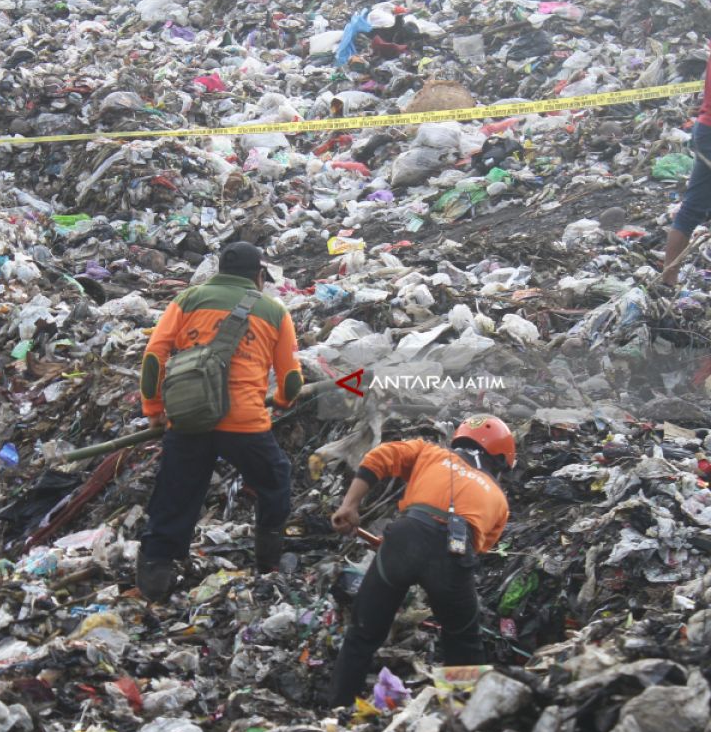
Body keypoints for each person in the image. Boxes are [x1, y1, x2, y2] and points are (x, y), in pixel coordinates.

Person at [135, 241, 303, 601]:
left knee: (177, 492)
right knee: (275, 481)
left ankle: (156, 570)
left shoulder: (188, 299)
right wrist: (285, 401)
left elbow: (154, 356)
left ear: (219, 271)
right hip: (246, 423)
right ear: (259, 276)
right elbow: (291, 379)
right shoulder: (274, 311)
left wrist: (153, 409)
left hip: (189, 417)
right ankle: (268, 561)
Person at [327, 415, 516, 707]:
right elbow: (476, 549)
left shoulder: (430, 453)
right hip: (454, 550)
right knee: (463, 640)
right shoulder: (499, 501)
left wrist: (349, 506)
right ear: (500, 460)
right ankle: (461, 716)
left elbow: (380, 456)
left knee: (363, 632)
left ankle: (336, 711)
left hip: (405, 536)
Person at [660, 49, 711, 286]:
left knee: (692, 209)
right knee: (692, 209)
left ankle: (668, 282)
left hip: (706, 130)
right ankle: (668, 279)